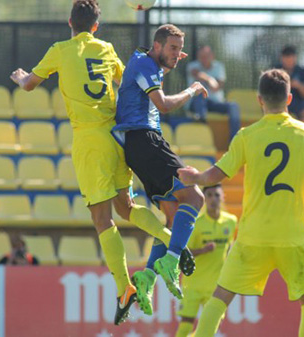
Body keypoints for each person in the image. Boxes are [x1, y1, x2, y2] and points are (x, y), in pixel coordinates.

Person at [9, 0, 192, 325]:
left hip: (89, 141)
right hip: (117, 137)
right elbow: (133, 78)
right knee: (126, 208)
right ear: (96, 25)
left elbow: (30, 85)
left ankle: (125, 288)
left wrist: (22, 76)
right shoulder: (107, 49)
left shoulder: (60, 50)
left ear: (70, 23)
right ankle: (170, 240)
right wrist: (168, 61)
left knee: (102, 218)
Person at [178, 69, 304, 337]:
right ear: (289, 99)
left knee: (220, 297)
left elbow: (216, 174)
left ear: (259, 100)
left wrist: (196, 176)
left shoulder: (246, 135)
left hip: (254, 236)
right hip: (295, 235)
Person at [113, 24, 208, 315]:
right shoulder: (145, 64)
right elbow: (163, 105)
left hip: (138, 145)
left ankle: (146, 278)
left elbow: (150, 83)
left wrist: (171, 60)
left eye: (180, 49)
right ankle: (173, 258)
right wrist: (192, 89)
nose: (177, 54)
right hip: (145, 139)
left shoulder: (145, 62)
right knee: (195, 198)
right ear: (156, 46)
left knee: (170, 219)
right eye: (172, 48)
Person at [175, 185, 237, 337]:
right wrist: (203, 250)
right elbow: (182, 253)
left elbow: (230, 247)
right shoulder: (196, 224)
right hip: (193, 284)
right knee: (185, 326)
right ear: (204, 199)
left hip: (216, 285)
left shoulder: (231, 221)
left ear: (222, 197)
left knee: (211, 326)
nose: (213, 199)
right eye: (209, 195)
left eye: (217, 195)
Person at [187, 45, 240, 139]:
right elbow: (196, 74)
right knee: (200, 96)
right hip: (196, 103)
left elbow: (217, 87)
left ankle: (234, 139)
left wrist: (209, 81)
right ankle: (202, 131)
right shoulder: (192, 66)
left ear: (212, 56)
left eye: (206, 56)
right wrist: (210, 79)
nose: (203, 59)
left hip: (215, 103)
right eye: (201, 56)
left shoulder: (219, 66)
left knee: (233, 106)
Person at [277, 45, 304, 125]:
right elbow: (268, 91)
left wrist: (299, 86)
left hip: (298, 102)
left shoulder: (302, 72)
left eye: (291, 57)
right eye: (286, 57)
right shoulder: (275, 70)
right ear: (282, 58)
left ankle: (296, 133)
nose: (289, 60)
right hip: (279, 102)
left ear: (295, 57)